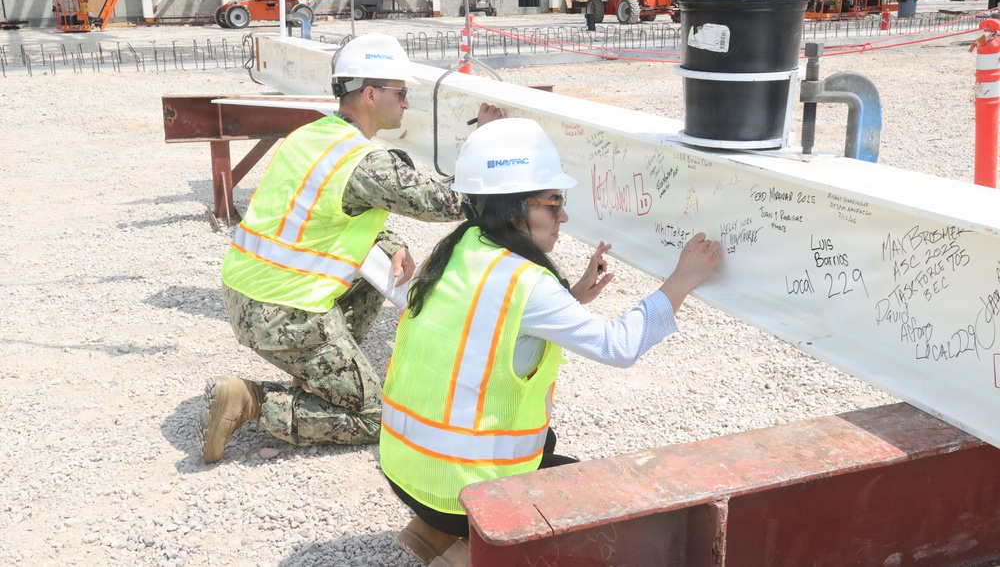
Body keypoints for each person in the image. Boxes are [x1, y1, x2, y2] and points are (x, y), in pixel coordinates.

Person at [378, 118, 723, 566]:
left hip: (407, 468)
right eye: (554, 202)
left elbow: (490, 330)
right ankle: (470, 548)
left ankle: (432, 531)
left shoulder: (458, 249)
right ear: (513, 208)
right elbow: (617, 346)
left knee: (546, 440)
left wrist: (573, 297)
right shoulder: (527, 282)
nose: (563, 216)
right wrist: (682, 280)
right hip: (463, 489)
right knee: (605, 508)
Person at [200, 33, 502, 465]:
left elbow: (317, 209)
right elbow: (449, 202)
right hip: (282, 311)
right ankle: (251, 403)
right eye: (401, 93)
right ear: (371, 94)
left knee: (372, 276)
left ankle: (328, 371)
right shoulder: (364, 161)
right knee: (376, 417)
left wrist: (388, 239)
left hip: (245, 292)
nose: (407, 104)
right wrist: (489, 142)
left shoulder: (312, 135)